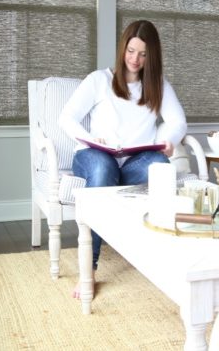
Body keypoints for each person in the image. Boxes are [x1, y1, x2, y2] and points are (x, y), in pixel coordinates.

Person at [58, 19, 187, 298]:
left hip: (132, 160)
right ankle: (88, 269)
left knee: (160, 168)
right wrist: (90, 140)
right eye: (131, 51)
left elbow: (178, 122)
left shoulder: (159, 86)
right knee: (104, 172)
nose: (135, 59)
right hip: (93, 155)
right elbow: (66, 118)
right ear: (122, 49)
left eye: (143, 54)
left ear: (151, 56)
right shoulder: (99, 80)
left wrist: (169, 141)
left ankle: (164, 259)